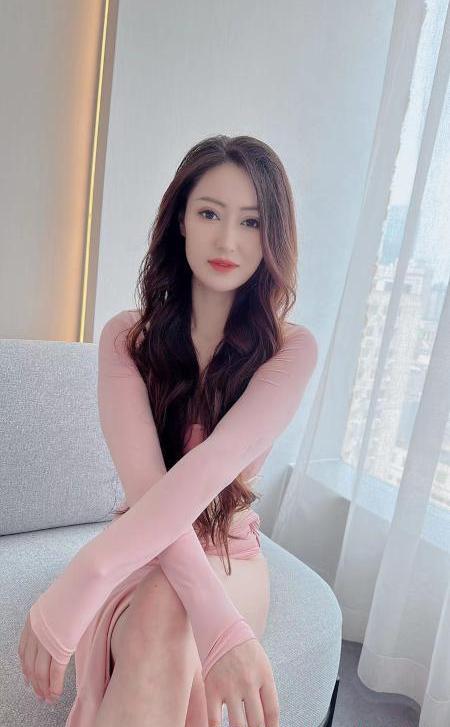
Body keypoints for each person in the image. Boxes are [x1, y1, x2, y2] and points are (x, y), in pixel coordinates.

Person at [18, 134, 318, 726]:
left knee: (166, 611)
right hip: (140, 548)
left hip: (230, 554)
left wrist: (86, 573)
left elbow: (208, 473)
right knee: (162, 611)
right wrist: (106, 573)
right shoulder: (127, 338)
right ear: (180, 219)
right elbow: (149, 488)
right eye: (209, 213)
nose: (227, 241)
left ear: (273, 236)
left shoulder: (291, 350)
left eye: (251, 222)